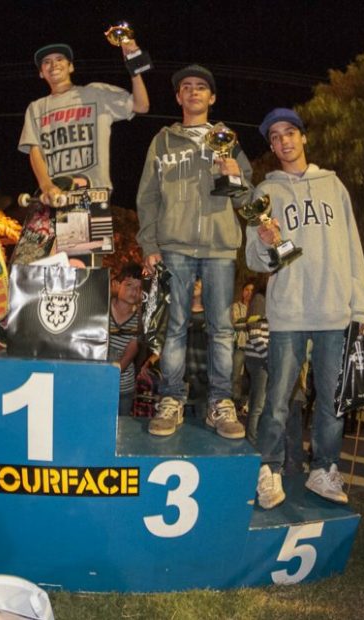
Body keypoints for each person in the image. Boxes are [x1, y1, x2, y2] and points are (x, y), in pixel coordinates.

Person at [245, 107, 364, 509]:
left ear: (303, 137)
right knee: (277, 400)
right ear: (271, 146)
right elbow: (254, 259)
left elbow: (353, 247)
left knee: (332, 400)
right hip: (289, 309)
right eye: (275, 137)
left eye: (289, 133)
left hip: (334, 308)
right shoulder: (265, 193)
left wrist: (361, 307)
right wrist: (267, 242)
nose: (283, 141)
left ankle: (323, 469)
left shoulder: (333, 185)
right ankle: (269, 470)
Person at [136, 64, 253, 440]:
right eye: (186, 87)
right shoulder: (163, 141)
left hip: (220, 244)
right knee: (174, 327)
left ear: (212, 97)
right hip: (175, 244)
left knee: (222, 329)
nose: (193, 92)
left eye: (201, 87)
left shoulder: (228, 139)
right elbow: (148, 196)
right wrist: (149, 243)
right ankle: (170, 401)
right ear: (178, 97)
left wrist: (234, 173)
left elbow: (249, 196)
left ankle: (221, 404)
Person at [19, 42, 149, 203]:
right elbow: (35, 150)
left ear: (71, 67)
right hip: (56, 196)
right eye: (46, 62)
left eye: (59, 59)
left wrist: (134, 68)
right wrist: (46, 186)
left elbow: (141, 106)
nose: (53, 64)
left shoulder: (95, 93)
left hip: (95, 192)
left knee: (97, 228)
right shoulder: (36, 108)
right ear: (41, 73)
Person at [109, 263, 142, 416]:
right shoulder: (102, 309)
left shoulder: (140, 321)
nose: (134, 291)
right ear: (117, 285)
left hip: (123, 388)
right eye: (129, 285)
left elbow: (129, 356)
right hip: (94, 381)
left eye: (139, 287)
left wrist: (106, 378)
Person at [243, 282, 269, 441]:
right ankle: (252, 442)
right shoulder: (260, 299)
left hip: (260, 357)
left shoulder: (266, 299)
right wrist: (268, 357)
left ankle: (251, 440)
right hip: (259, 358)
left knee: (256, 404)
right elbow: (254, 332)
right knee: (258, 405)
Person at [231, 280, 255, 403]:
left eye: (252, 291)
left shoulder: (257, 307)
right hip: (240, 346)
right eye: (247, 290)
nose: (249, 293)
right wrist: (249, 322)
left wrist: (246, 323)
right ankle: (234, 401)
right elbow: (234, 324)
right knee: (236, 376)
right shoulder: (236, 306)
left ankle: (246, 403)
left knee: (250, 378)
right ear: (242, 291)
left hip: (254, 347)